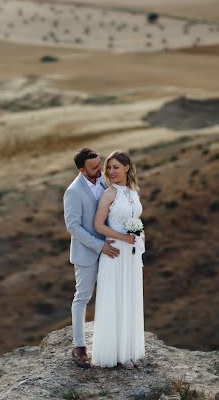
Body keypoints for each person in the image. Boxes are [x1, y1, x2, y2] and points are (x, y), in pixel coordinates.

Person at [63, 147, 120, 369]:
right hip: (87, 253)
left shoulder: (104, 182)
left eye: (99, 164)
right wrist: (99, 246)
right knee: (83, 298)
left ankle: (110, 342)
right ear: (81, 169)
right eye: (94, 167)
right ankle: (79, 347)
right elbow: (73, 227)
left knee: (109, 297)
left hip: (110, 250)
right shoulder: (73, 192)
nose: (100, 169)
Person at [91, 150, 145, 368]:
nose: (111, 171)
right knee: (115, 298)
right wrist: (123, 237)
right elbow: (98, 225)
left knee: (129, 297)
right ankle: (116, 355)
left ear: (127, 168)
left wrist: (139, 236)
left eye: (116, 167)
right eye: (109, 168)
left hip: (131, 255)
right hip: (114, 252)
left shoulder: (133, 192)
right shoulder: (109, 194)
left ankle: (129, 351)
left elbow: (136, 219)